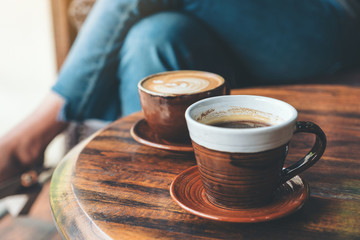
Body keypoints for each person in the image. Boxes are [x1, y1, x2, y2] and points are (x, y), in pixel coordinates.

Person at [1, 0, 360, 183]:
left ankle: (29, 139)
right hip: (230, 27)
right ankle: (147, 209)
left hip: (325, 20)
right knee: (155, 37)